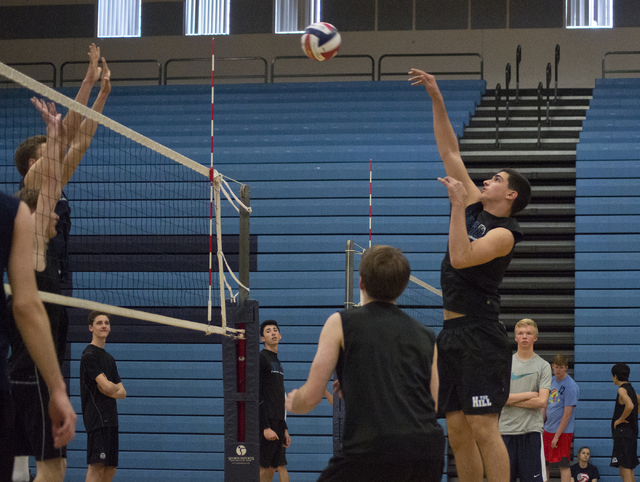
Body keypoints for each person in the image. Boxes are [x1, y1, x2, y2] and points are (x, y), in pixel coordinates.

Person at [408, 69, 531, 482]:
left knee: (482, 427)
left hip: (481, 335)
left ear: (511, 195)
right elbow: (450, 152)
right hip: (453, 334)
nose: (486, 179)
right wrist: (436, 97)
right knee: (457, 431)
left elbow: (460, 258)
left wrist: (457, 207)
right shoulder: (477, 206)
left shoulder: (503, 235)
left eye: (496, 179)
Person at [285, 245, 445, 482]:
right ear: (403, 287)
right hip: (426, 452)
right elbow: (431, 404)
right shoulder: (426, 335)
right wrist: (358, 385)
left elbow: (310, 398)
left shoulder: (340, 322)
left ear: (361, 283)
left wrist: (292, 402)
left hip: (373, 450)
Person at [0, 101, 76, 480]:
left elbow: (56, 174)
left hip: (26, 369)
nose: (57, 215)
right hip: (32, 374)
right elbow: (47, 183)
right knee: (53, 468)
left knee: (37, 467)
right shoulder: (28, 234)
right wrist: (53, 137)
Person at [499, 318, 552, 482]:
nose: (524, 336)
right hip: (505, 432)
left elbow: (542, 401)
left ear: (535, 337)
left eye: (528, 333)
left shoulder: (543, 366)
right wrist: (529, 395)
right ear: (515, 337)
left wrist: (510, 399)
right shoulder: (504, 364)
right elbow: (498, 398)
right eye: (520, 333)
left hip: (531, 432)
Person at [80, 311, 126, 482]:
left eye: (106, 322)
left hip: (112, 419)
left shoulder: (109, 359)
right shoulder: (89, 355)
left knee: (111, 468)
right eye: (99, 323)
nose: (104, 326)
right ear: (91, 327)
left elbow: (123, 393)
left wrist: (110, 388)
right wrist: (112, 388)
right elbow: (108, 387)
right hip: (97, 419)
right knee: (97, 466)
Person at [259, 320, 290, 482]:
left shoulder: (277, 362)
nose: (272, 333)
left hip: (278, 423)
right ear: (262, 338)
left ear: (280, 335)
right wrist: (265, 427)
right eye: (268, 331)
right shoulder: (261, 358)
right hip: (267, 422)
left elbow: (279, 397)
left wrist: (284, 427)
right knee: (263, 468)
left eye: (275, 330)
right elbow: (257, 395)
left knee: (276, 467)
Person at [543, 354, 579, 482]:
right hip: (547, 429)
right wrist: (541, 425)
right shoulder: (551, 381)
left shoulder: (570, 386)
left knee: (563, 464)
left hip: (563, 432)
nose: (558, 370)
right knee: (544, 463)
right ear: (552, 366)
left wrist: (557, 436)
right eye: (556, 367)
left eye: (561, 367)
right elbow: (545, 405)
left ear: (566, 368)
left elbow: (567, 413)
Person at [610, 363, 639, 482]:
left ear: (615, 376)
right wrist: (632, 416)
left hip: (623, 434)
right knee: (628, 467)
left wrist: (621, 419)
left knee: (625, 468)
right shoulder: (631, 389)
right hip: (631, 433)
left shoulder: (622, 390)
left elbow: (630, 405)